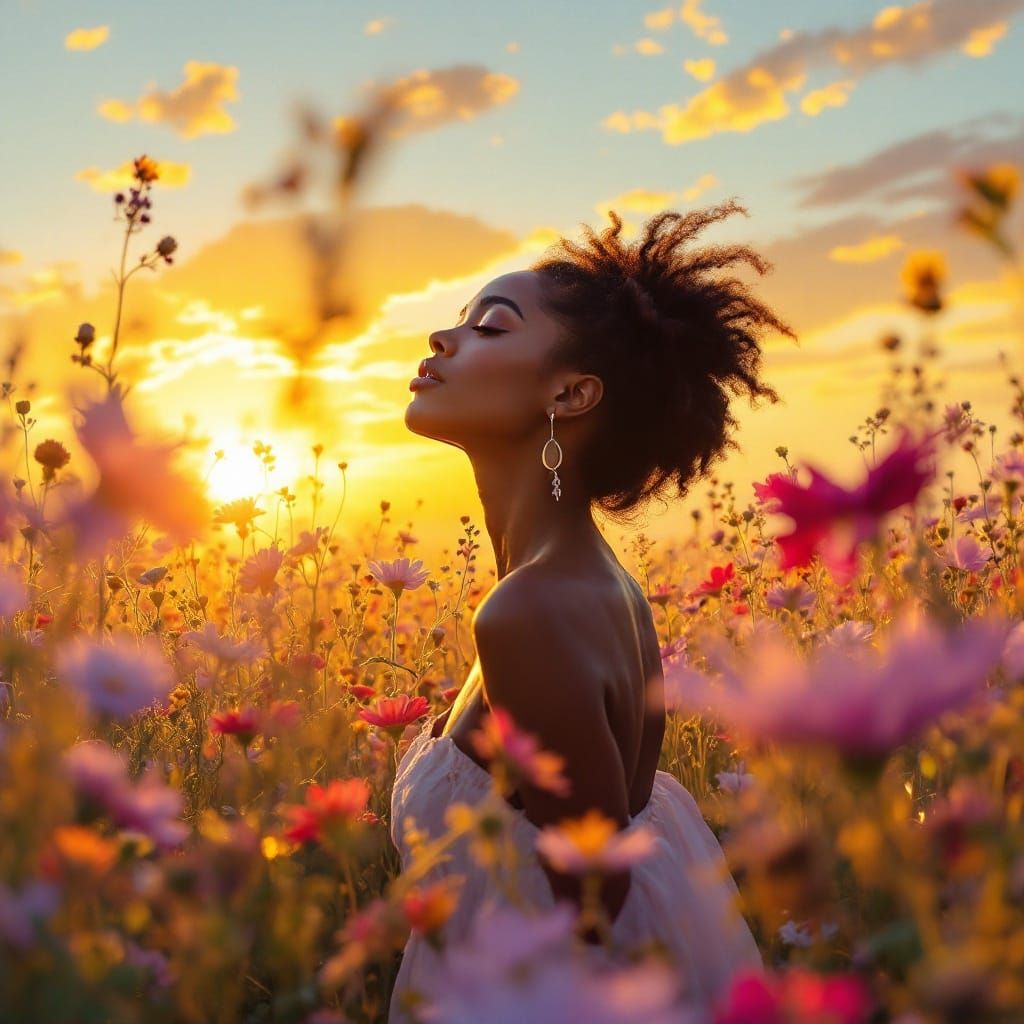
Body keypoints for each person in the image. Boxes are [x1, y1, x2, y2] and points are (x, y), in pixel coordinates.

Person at [388, 201, 797, 1022]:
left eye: (490, 327)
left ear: (571, 394)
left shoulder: (529, 611)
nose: (443, 337)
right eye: (459, 320)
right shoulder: (580, 579)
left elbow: (590, 905)